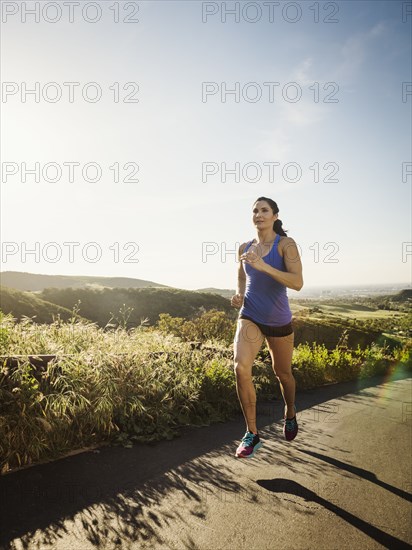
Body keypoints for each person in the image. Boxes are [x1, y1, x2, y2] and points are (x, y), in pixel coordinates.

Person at [231, 197, 303, 458]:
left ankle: (291, 411)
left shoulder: (286, 245)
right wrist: (239, 294)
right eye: (255, 211)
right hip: (250, 315)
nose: (259, 214)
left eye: (264, 210)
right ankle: (252, 433)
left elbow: (297, 282)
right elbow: (241, 275)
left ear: (274, 216)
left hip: (279, 320)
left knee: (282, 373)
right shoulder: (245, 246)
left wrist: (264, 266)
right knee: (240, 367)